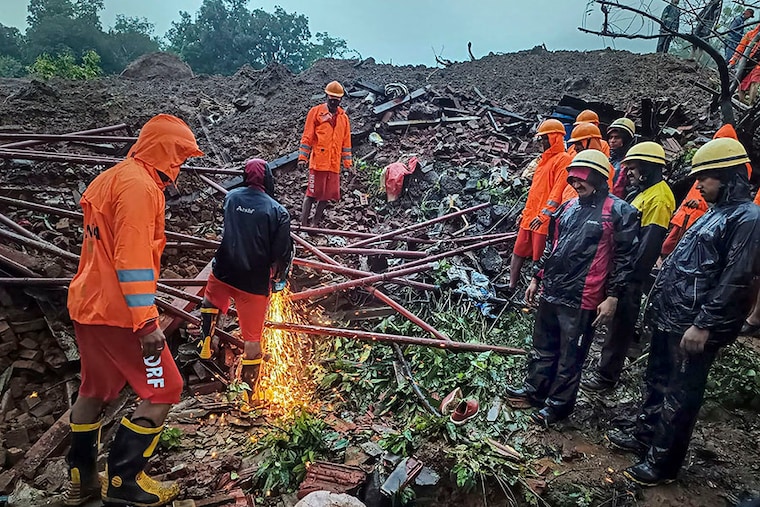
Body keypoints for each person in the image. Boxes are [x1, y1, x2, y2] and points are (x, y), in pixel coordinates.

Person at [65, 114, 204, 506]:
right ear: (167, 152)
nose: (181, 167)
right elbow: (132, 259)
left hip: (87, 304)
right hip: (118, 313)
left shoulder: (112, 177)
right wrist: (146, 322)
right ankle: (125, 484)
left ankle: (82, 479)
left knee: (95, 389)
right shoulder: (141, 188)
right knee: (166, 389)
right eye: (181, 157)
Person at [607, 138, 760, 486]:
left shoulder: (748, 219)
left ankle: (662, 465)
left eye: (706, 177)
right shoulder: (716, 214)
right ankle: (645, 438)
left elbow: (736, 278)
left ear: (727, 176)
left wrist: (704, 324)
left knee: (680, 394)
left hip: (694, 325)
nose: (700, 184)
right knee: (657, 380)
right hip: (673, 317)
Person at [506, 149, 639, 425]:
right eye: (573, 179)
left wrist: (613, 295)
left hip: (584, 296)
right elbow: (552, 248)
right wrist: (536, 278)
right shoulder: (567, 208)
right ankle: (535, 391)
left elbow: (626, 259)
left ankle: (559, 406)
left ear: (600, 178)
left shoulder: (619, 211)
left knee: (570, 355)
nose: (577, 184)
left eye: (582, 179)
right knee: (543, 346)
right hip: (552, 290)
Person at [584, 143, 675, 391]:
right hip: (621, 268)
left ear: (648, 168)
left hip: (630, 274)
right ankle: (604, 367)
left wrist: (626, 278)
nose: (630, 173)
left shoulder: (659, 198)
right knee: (613, 323)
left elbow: (649, 244)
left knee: (621, 325)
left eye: (633, 168)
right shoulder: (645, 192)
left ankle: (606, 376)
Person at [198, 158, 292, 392]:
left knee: (210, 301)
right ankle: (248, 394)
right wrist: (278, 276)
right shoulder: (278, 211)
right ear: (268, 178)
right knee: (252, 339)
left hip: (224, 269)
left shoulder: (231, 198)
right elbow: (281, 251)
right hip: (253, 282)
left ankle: (206, 343)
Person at [661, 124, 749, 256]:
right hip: (688, 214)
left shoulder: (737, 166)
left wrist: (702, 205)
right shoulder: (709, 162)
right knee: (669, 247)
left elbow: (730, 197)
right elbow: (693, 191)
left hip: (703, 217)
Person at [508, 119, 573, 293]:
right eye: (541, 139)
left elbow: (557, 192)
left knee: (539, 257)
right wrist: (524, 213)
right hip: (531, 216)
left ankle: (534, 291)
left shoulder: (563, 160)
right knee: (519, 250)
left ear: (554, 138)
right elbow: (534, 193)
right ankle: (511, 286)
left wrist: (545, 216)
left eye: (544, 138)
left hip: (543, 220)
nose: (541, 142)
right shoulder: (543, 160)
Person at [299, 80, 352, 227]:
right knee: (311, 193)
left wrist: (348, 164)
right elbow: (307, 137)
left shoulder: (343, 118)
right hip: (318, 163)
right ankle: (303, 224)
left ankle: (315, 223)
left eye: (337, 99)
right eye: (332, 99)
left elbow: (346, 144)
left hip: (333, 164)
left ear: (341, 99)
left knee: (326, 196)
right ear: (326, 96)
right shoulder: (316, 113)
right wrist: (302, 158)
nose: (334, 102)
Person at [562, 123, 617, 201]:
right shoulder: (578, 164)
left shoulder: (602, 166)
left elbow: (602, 198)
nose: (575, 148)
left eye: (579, 144)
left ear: (591, 142)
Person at [607, 118, 637, 199]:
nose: (612, 141)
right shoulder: (609, 160)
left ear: (626, 139)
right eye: (611, 137)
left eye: (617, 137)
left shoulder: (631, 164)